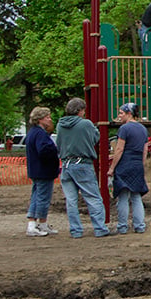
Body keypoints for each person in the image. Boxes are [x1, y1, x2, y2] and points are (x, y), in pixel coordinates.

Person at [57, 97, 110, 238]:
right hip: (82, 164)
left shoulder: (60, 125)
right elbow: (95, 138)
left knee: (71, 200)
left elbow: (59, 143)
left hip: (66, 165)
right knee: (93, 197)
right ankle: (100, 228)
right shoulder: (85, 124)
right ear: (80, 111)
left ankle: (76, 230)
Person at [107, 103, 149, 234]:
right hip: (137, 164)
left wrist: (112, 168)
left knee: (123, 196)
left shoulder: (124, 129)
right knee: (136, 196)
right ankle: (140, 226)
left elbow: (119, 149)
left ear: (129, 114)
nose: (119, 116)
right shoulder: (143, 129)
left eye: (121, 113)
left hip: (125, 164)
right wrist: (141, 165)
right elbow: (145, 150)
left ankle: (122, 226)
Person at [24, 106, 60, 237]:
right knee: (43, 198)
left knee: (36, 196)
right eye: (47, 117)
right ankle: (36, 225)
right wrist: (55, 151)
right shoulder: (40, 134)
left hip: (36, 170)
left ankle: (37, 224)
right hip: (43, 170)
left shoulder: (33, 132)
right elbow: (44, 151)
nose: (50, 120)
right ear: (40, 119)